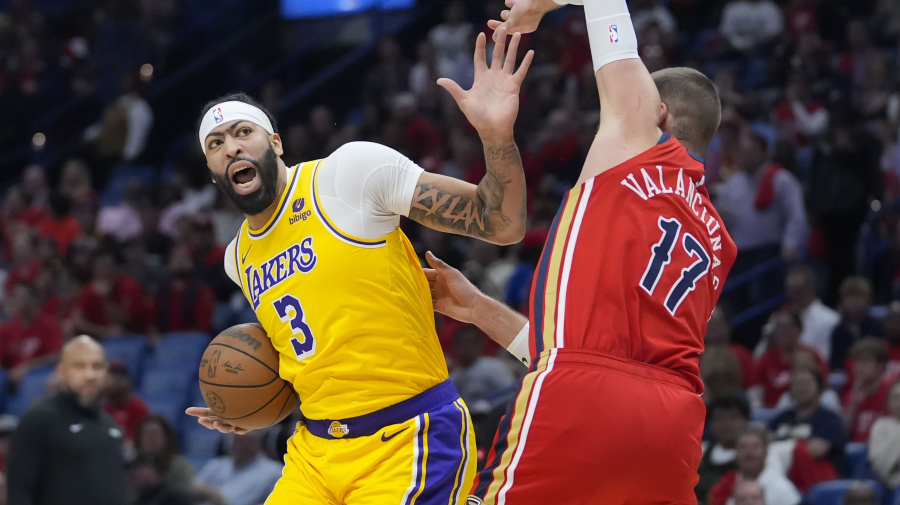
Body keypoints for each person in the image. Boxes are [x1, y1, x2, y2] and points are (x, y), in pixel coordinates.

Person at [185, 29, 534, 503]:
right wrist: (244, 405)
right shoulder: (236, 258)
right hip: (315, 453)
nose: (231, 147)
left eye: (243, 133)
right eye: (216, 143)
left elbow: (501, 222)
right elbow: (307, 355)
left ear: (276, 143)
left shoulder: (347, 175)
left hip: (408, 436)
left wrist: (497, 137)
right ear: (212, 170)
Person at [432, 1, 737, 502]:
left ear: (657, 109)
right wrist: (481, 309)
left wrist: (538, 8)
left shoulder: (639, 139)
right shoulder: (715, 239)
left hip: (582, 397)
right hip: (673, 424)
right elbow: (605, 359)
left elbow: (590, 372)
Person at [6, 335, 127, 505]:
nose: (89, 375)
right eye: (79, 366)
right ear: (63, 371)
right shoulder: (40, 419)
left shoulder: (110, 425)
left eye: (97, 366)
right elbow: (19, 490)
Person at [192, 431, 283, 505]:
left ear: (257, 442)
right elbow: (193, 488)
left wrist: (218, 498)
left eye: (245, 441)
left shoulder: (273, 471)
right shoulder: (217, 464)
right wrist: (209, 493)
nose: (239, 445)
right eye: (236, 440)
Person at [126, 451, 192, 505]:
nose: (132, 473)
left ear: (154, 469)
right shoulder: (138, 502)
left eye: (137, 467)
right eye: (129, 469)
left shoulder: (176, 498)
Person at [868, 380, 900, 490]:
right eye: (896, 397)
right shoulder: (880, 426)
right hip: (888, 485)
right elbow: (882, 465)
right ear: (888, 402)